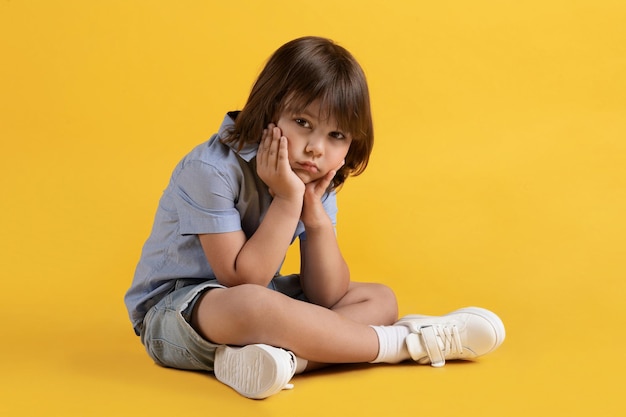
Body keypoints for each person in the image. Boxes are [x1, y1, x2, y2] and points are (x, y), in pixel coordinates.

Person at [124, 36, 505, 400]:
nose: (315, 148)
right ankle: (407, 343)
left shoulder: (312, 173)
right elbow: (242, 280)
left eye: (336, 135)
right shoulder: (211, 169)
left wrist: (317, 219)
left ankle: (286, 361)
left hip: (261, 306)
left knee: (379, 299)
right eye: (303, 123)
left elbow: (329, 295)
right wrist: (288, 200)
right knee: (254, 305)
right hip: (176, 315)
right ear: (269, 110)